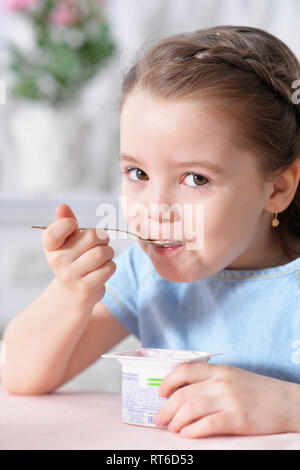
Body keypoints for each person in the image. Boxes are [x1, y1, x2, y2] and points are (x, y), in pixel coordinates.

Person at [1, 25, 300, 438]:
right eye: (137, 172)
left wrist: (290, 405)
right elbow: (18, 375)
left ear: (279, 186)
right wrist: (71, 294)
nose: (155, 212)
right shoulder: (145, 274)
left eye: (196, 179)